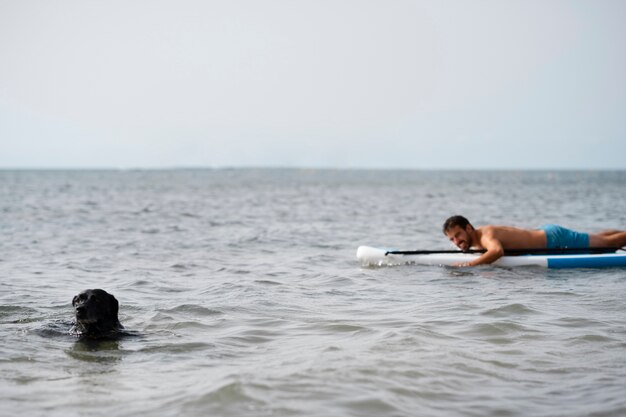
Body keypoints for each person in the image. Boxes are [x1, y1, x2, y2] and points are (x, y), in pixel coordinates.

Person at [442, 215, 626, 267]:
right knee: (600, 239)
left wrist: (469, 265)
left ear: (468, 228)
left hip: (553, 239)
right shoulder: (478, 239)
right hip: (547, 235)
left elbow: (497, 252)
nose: (456, 241)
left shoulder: (486, 235)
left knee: (607, 244)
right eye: (452, 239)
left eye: (458, 235)